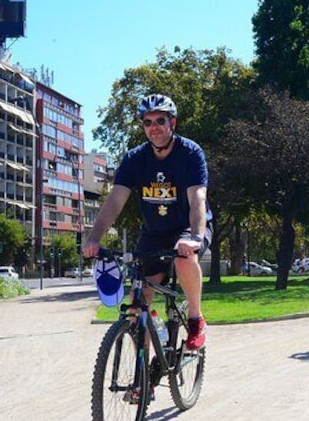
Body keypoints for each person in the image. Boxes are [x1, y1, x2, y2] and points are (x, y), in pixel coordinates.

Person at [83, 94, 212, 351]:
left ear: (172, 122)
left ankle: (196, 318)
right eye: (147, 122)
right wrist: (94, 237)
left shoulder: (190, 153)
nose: (154, 127)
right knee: (135, 309)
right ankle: (143, 382)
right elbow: (115, 201)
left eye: (160, 120)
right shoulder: (134, 159)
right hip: (155, 233)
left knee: (183, 258)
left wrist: (194, 238)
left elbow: (198, 197)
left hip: (189, 226)